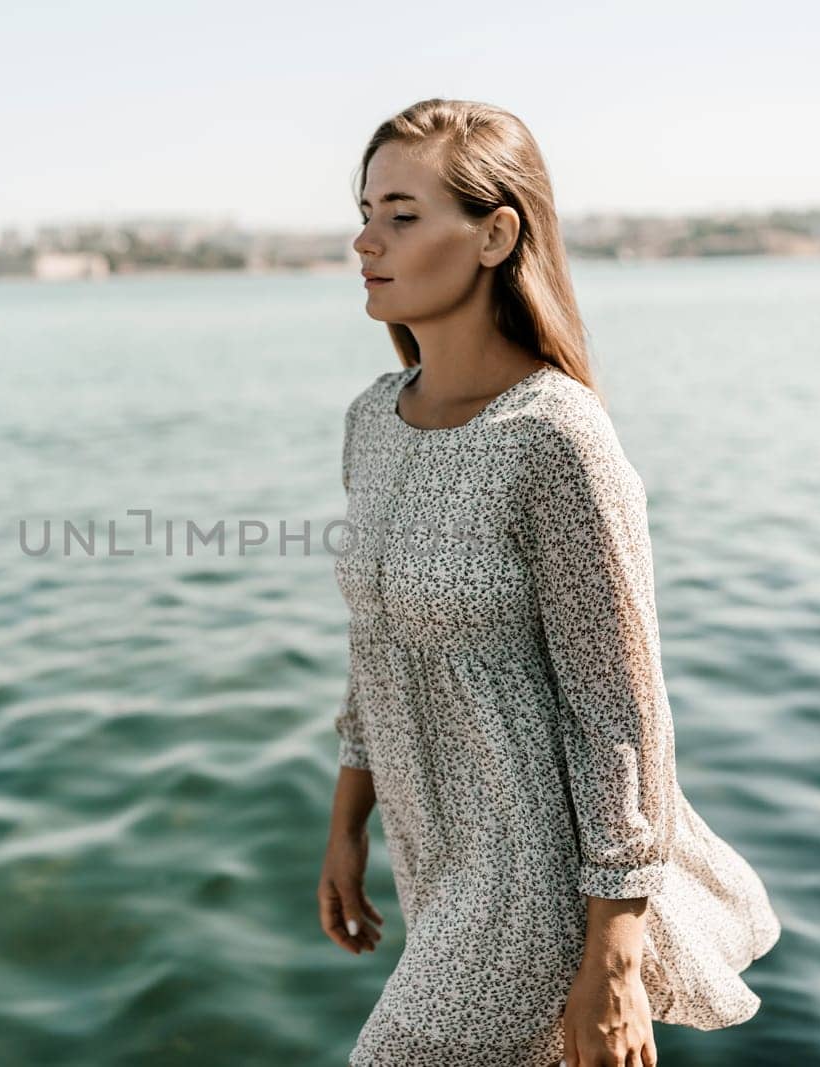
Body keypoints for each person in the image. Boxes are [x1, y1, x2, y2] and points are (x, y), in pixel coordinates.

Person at [317, 98, 782, 1067]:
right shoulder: (372, 418)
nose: (365, 238)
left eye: (402, 214)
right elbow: (374, 642)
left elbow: (621, 712)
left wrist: (611, 962)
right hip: (433, 866)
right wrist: (346, 823)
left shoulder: (554, 438)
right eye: (364, 209)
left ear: (495, 233)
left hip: (536, 888)